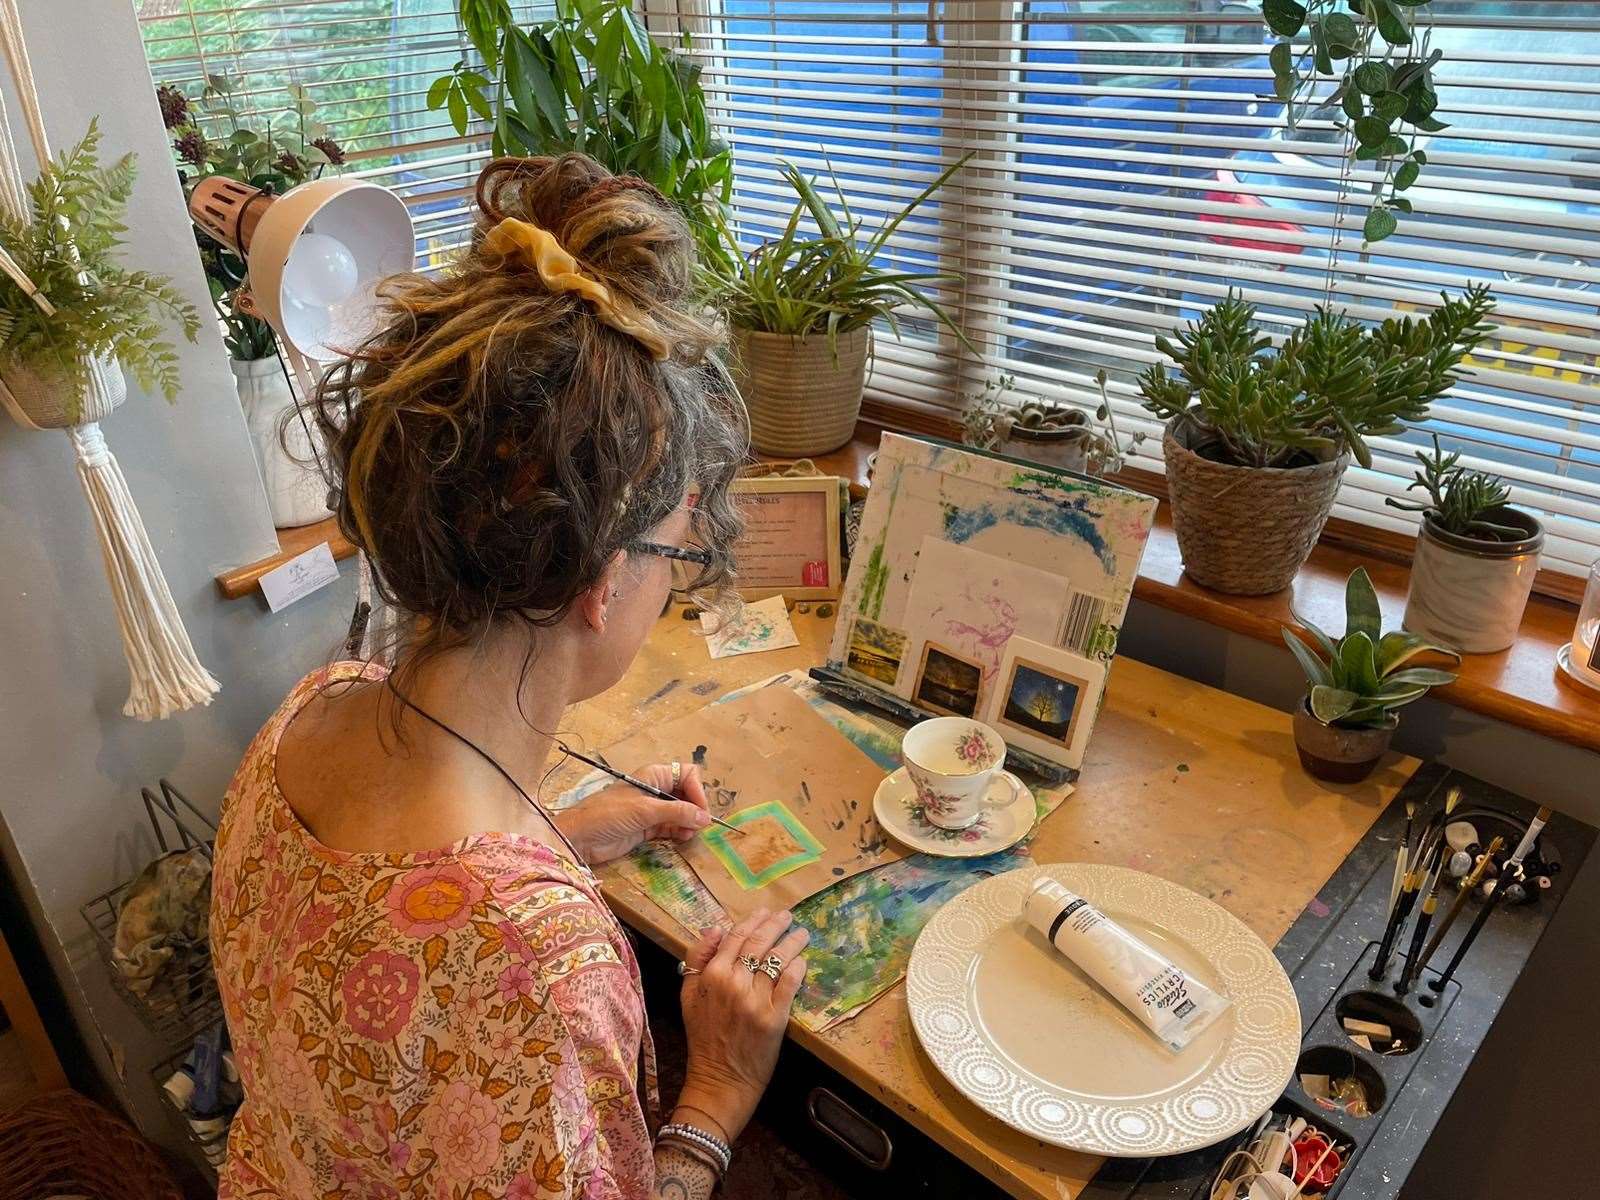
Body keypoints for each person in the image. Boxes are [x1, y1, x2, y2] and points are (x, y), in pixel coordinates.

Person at [210, 153, 805, 1200]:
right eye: (676, 554)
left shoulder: (307, 716)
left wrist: (561, 841)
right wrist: (712, 1099)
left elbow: (380, 942)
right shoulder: (538, 969)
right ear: (605, 577)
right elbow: (478, 988)